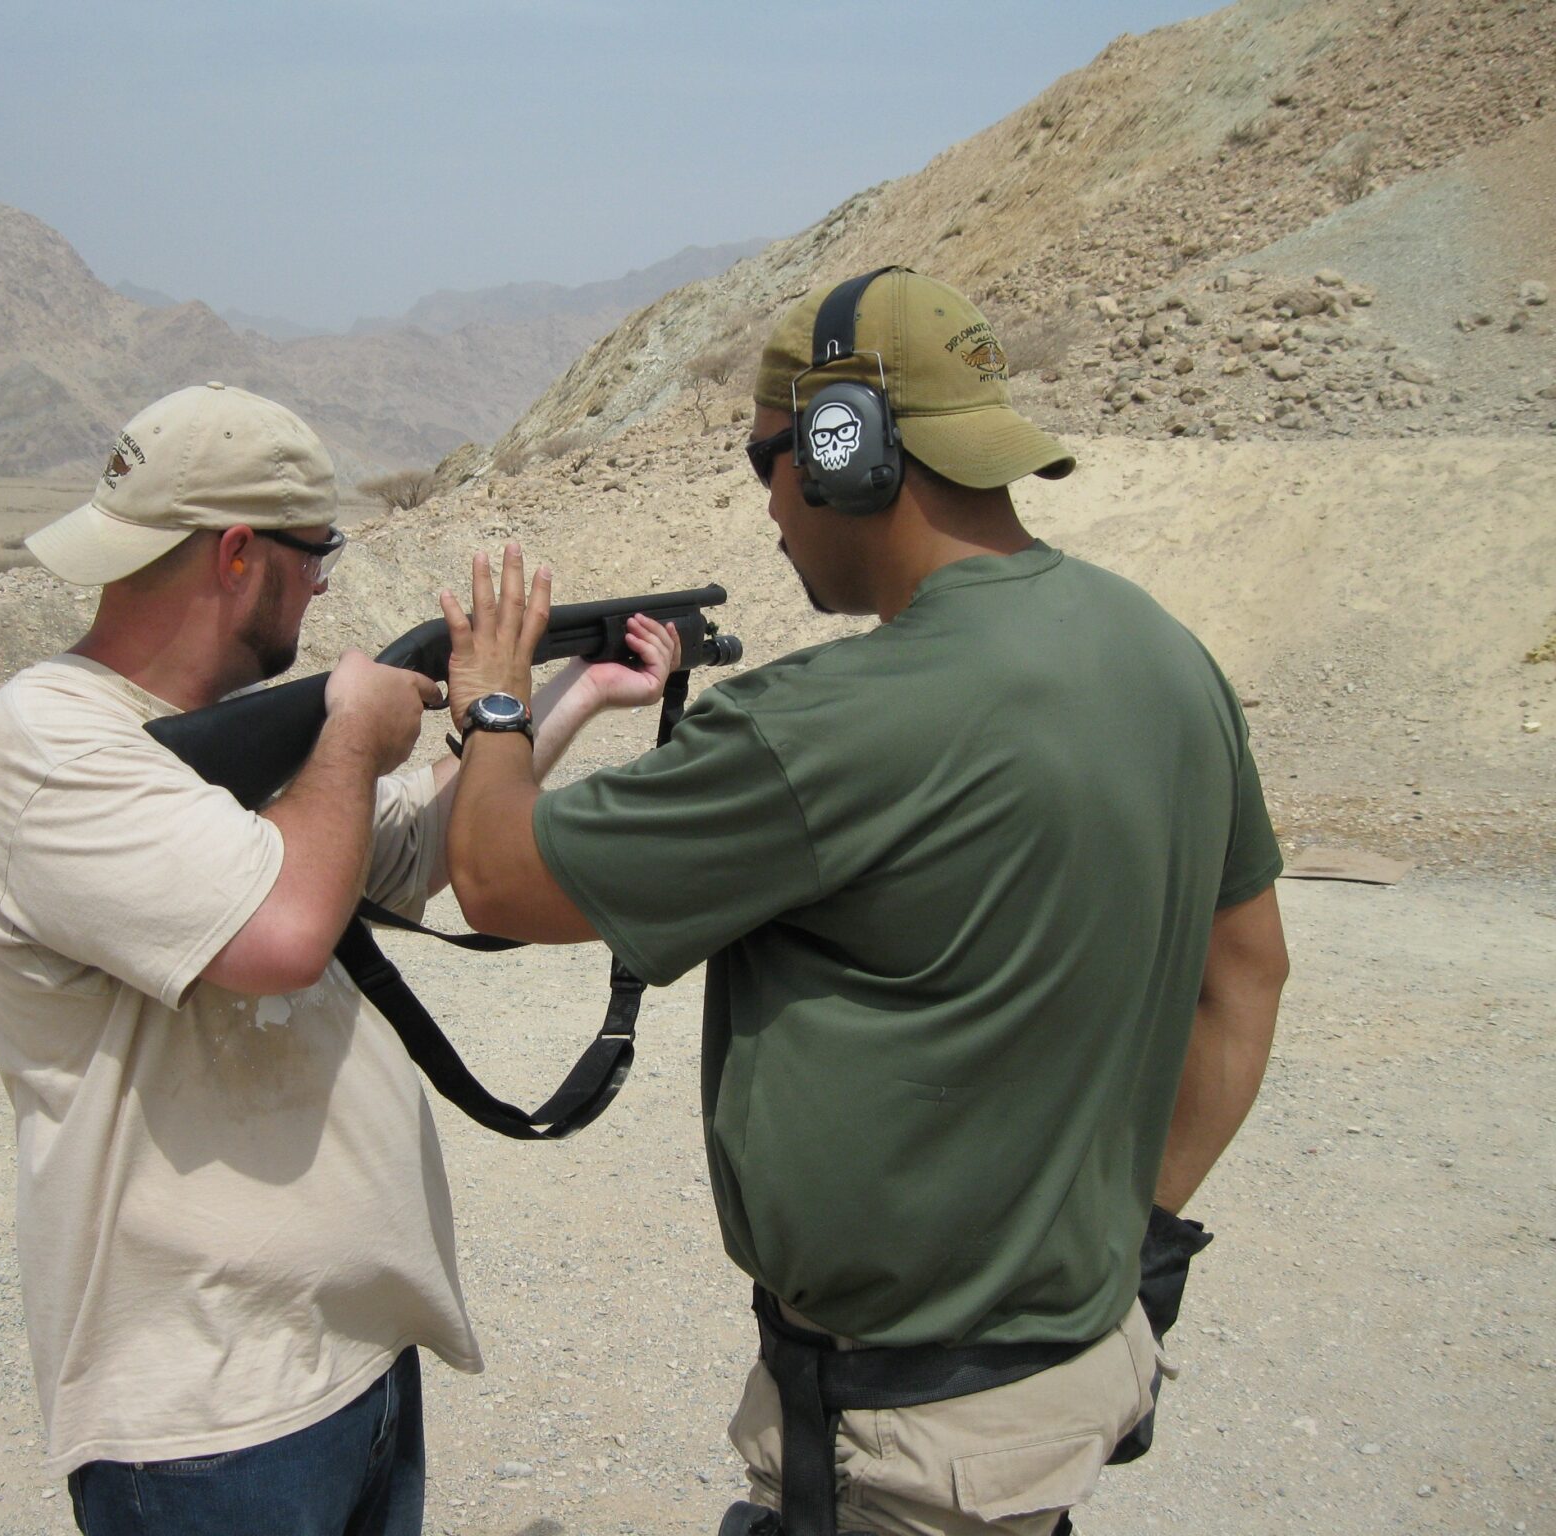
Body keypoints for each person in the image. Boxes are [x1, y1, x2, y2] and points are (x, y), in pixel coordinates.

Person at [437, 268, 1290, 1536]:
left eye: (764, 461)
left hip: (901, 1443)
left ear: (843, 454)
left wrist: (494, 702)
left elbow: (496, 880)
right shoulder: (1161, 653)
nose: (769, 507)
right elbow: (1247, 976)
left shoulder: (823, 725)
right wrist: (1136, 1239)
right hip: (1057, 1389)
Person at [0, 381, 677, 1536]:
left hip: (343, 1366)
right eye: (315, 551)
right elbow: (283, 934)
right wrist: (348, 734)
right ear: (239, 554)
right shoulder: (48, 745)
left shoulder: (240, 745)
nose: (326, 579)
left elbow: (407, 856)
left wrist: (560, 697)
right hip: (208, 1415)